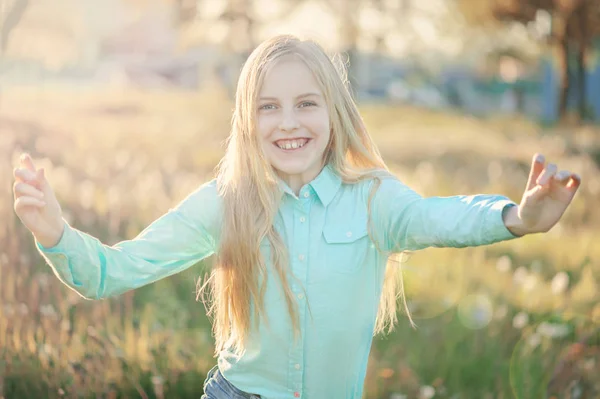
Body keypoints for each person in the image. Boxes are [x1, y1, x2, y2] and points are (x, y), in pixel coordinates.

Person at [13, 35, 581, 399]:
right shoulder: (226, 202)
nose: (288, 123)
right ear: (247, 122)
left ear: (334, 114)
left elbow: (439, 216)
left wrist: (516, 217)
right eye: (269, 107)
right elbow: (114, 271)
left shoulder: (374, 200)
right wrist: (56, 235)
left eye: (306, 103)